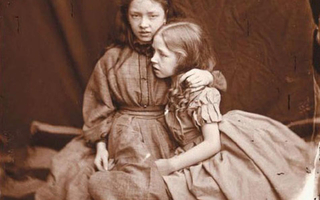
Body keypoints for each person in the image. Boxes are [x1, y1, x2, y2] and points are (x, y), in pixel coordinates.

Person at [35, 0, 227, 200]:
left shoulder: (179, 51)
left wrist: (209, 76)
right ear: (126, 16)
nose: (144, 24)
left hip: (166, 133)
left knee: (160, 182)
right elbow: (99, 104)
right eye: (136, 16)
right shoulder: (113, 58)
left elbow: (209, 87)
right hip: (123, 134)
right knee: (80, 177)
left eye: (152, 16)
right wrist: (101, 146)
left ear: (166, 13)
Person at [150, 20, 319, 200]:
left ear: (183, 58)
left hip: (217, 147)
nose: (153, 59)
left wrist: (171, 165)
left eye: (162, 54)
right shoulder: (174, 84)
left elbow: (212, 144)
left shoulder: (200, 93)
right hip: (193, 147)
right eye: (153, 51)